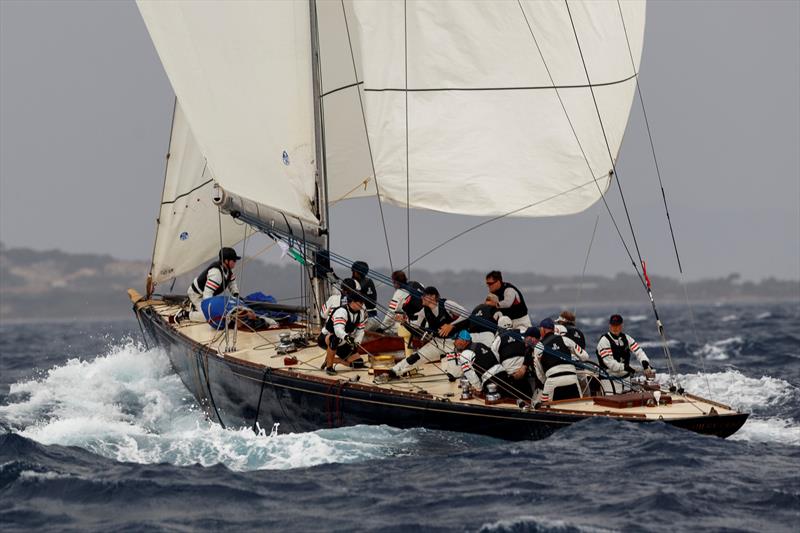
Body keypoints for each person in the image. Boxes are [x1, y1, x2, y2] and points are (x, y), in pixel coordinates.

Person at [386, 286, 469, 378]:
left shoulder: (446, 304)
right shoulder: (424, 311)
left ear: (432, 297)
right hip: (437, 342)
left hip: (452, 343)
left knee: (453, 375)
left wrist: (451, 325)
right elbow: (416, 329)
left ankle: (451, 365)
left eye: (424, 296)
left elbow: (466, 314)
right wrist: (404, 322)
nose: (421, 298)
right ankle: (394, 371)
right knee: (415, 357)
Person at [176, 247, 241, 323]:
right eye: (234, 260)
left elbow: (231, 283)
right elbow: (207, 294)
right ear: (226, 261)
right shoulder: (216, 274)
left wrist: (236, 294)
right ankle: (185, 314)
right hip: (196, 295)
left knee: (218, 312)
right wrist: (209, 311)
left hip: (205, 295)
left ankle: (195, 307)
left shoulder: (228, 271)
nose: (235, 262)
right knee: (207, 317)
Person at [595, 314, 655, 394]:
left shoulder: (627, 338)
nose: (615, 328)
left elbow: (639, 351)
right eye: (613, 325)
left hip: (626, 380)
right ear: (610, 326)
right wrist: (627, 367)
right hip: (609, 381)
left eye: (618, 325)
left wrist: (644, 362)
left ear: (621, 326)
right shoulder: (604, 341)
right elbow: (611, 364)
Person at [533, 318, 589, 402]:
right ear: (553, 329)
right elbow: (585, 357)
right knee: (578, 405)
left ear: (542, 330)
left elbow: (539, 371)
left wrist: (546, 380)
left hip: (552, 381)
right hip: (571, 378)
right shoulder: (565, 340)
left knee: (544, 408)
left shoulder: (538, 346)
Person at [481, 316, 533, 400]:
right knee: (528, 399)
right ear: (511, 324)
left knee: (512, 401)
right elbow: (532, 347)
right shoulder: (522, 332)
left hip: (510, 377)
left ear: (499, 327)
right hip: (525, 373)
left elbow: (495, 358)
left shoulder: (498, 339)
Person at [317, 291, 367, 375]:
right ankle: (329, 367)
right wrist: (347, 338)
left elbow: (360, 330)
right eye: (360, 302)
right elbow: (338, 330)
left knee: (358, 363)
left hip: (343, 341)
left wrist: (356, 342)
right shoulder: (341, 311)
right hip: (326, 338)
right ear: (352, 302)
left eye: (363, 302)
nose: (362, 304)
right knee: (335, 338)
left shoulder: (360, 313)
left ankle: (335, 360)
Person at [351, 260, 380, 331]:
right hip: (375, 319)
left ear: (356, 272)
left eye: (353, 271)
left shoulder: (355, 284)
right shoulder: (369, 281)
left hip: (366, 320)